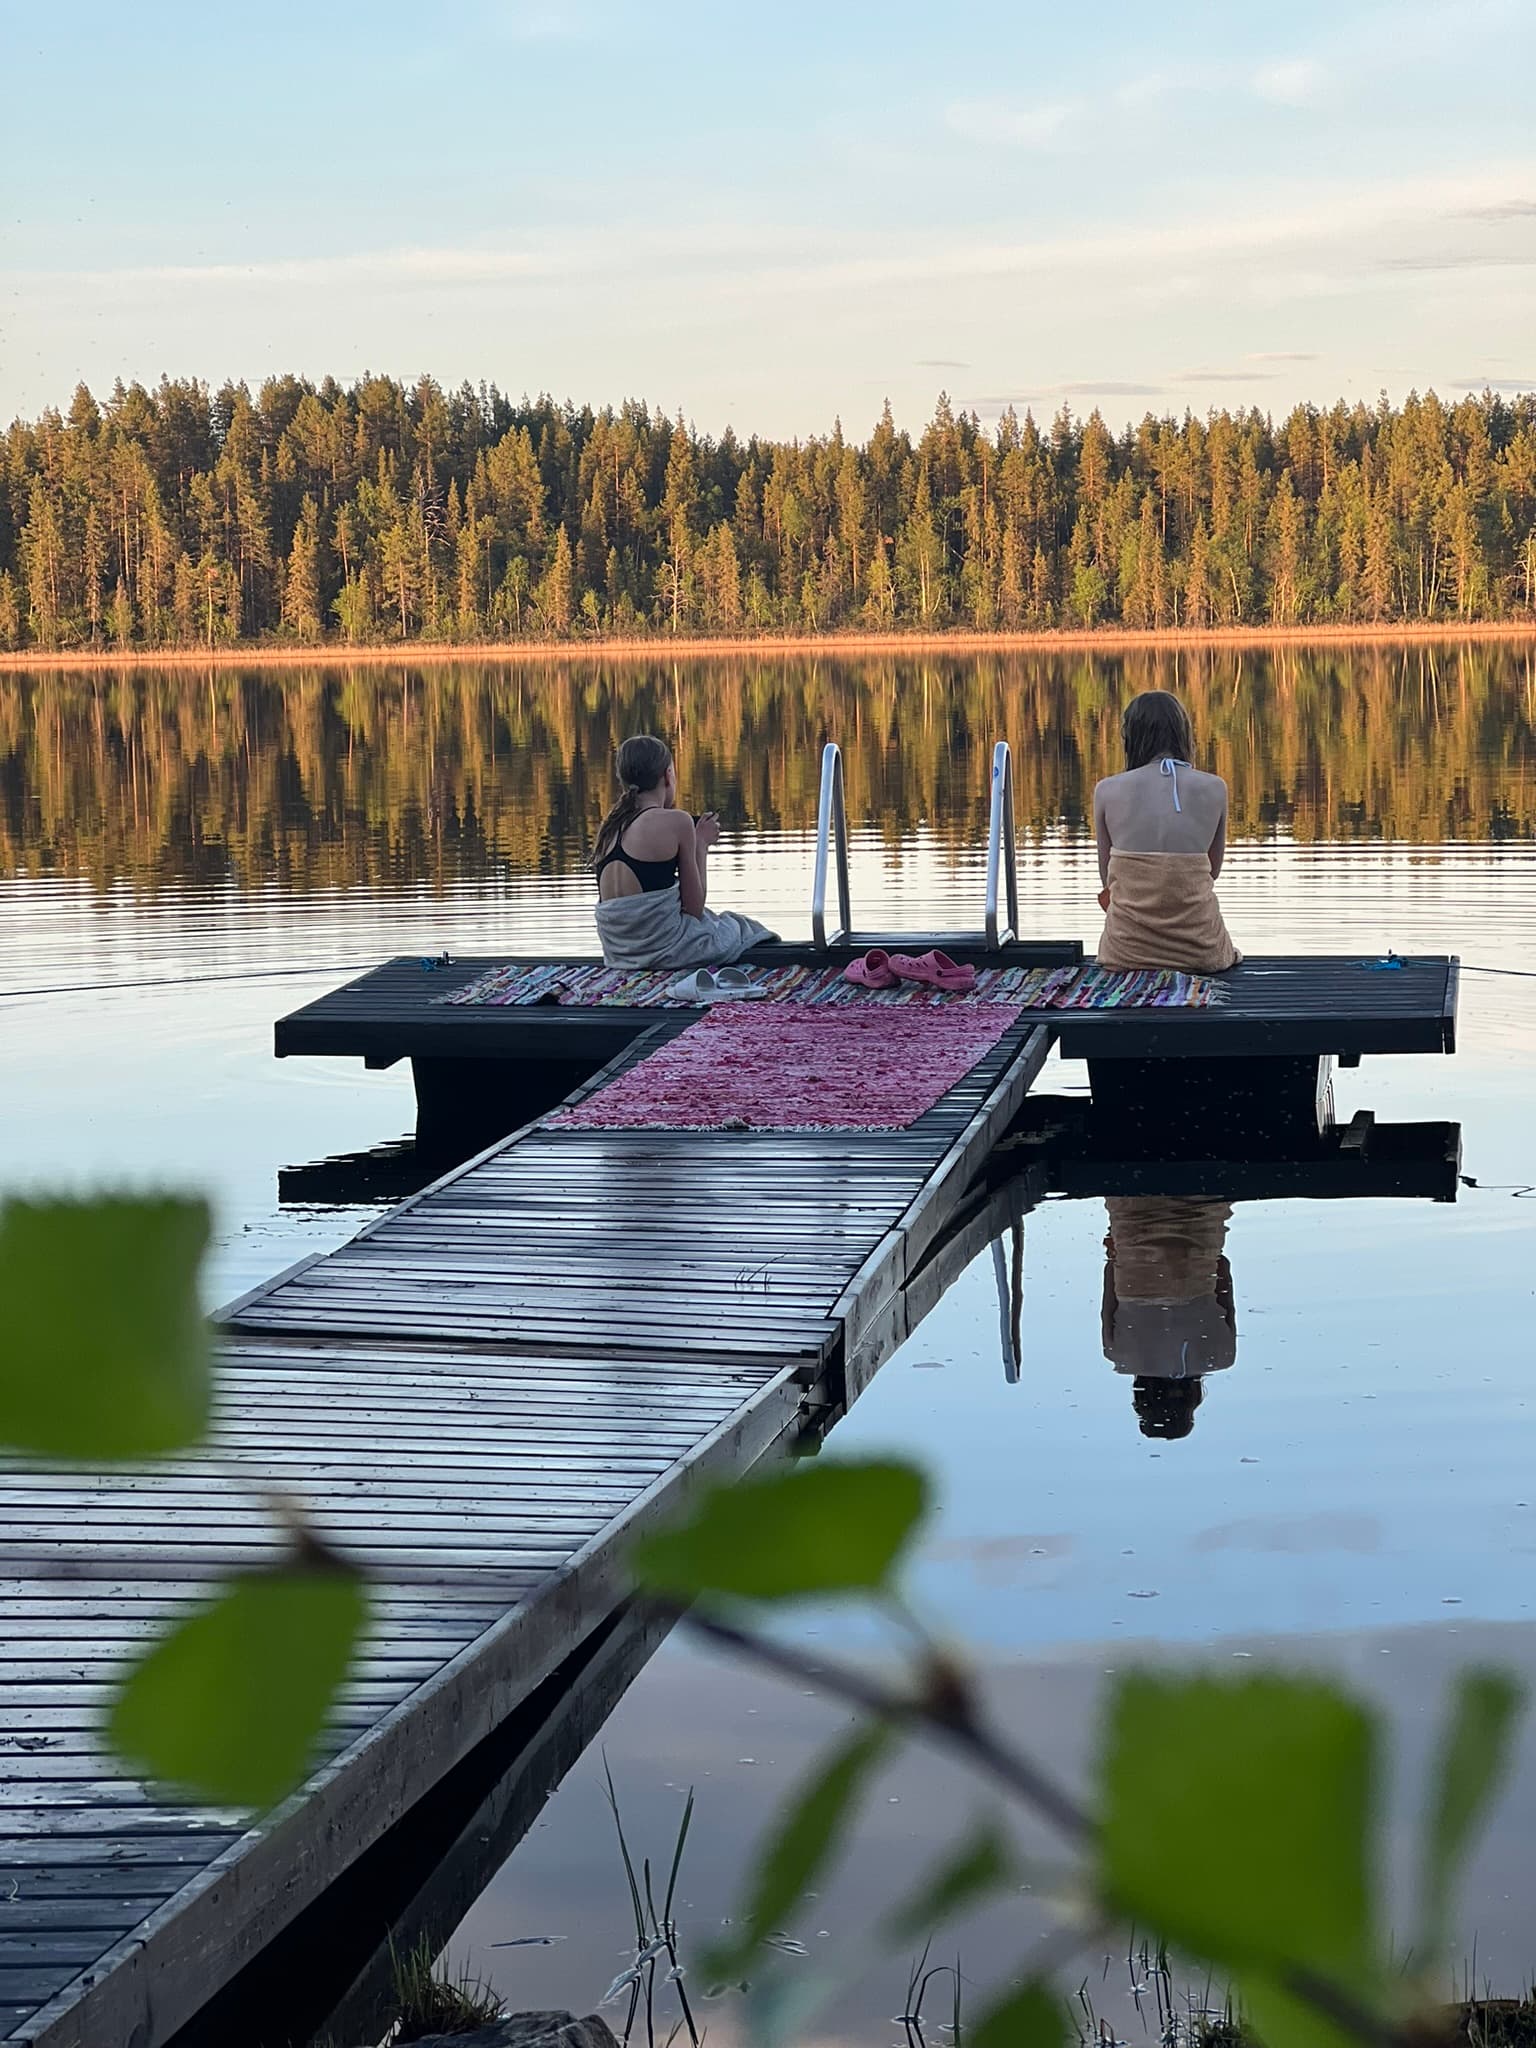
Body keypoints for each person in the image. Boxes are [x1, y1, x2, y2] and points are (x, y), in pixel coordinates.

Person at [592, 733, 775, 970]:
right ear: (668, 776)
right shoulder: (678, 821)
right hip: (664, 951)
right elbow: (694, 908)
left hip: (619, 954)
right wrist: (701, 844)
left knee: (717, 922)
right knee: (742, 928)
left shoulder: (609, 826)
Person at [1093, 690, 1241, 972]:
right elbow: (1213, 871)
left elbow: (1107, 877)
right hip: (1202, 953)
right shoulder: (1214, 788)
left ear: (1131, 736)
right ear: (1183, 732)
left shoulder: (1107, 791)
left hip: (1125, 954)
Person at [1100, 1196, 1237, 1440]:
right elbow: (1111, 1268)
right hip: (1131, 1217)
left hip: (1203, 1217)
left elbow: (1223, 1268)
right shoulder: (1119, 1356)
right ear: (1140, 1397)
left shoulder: (1222, 1356)